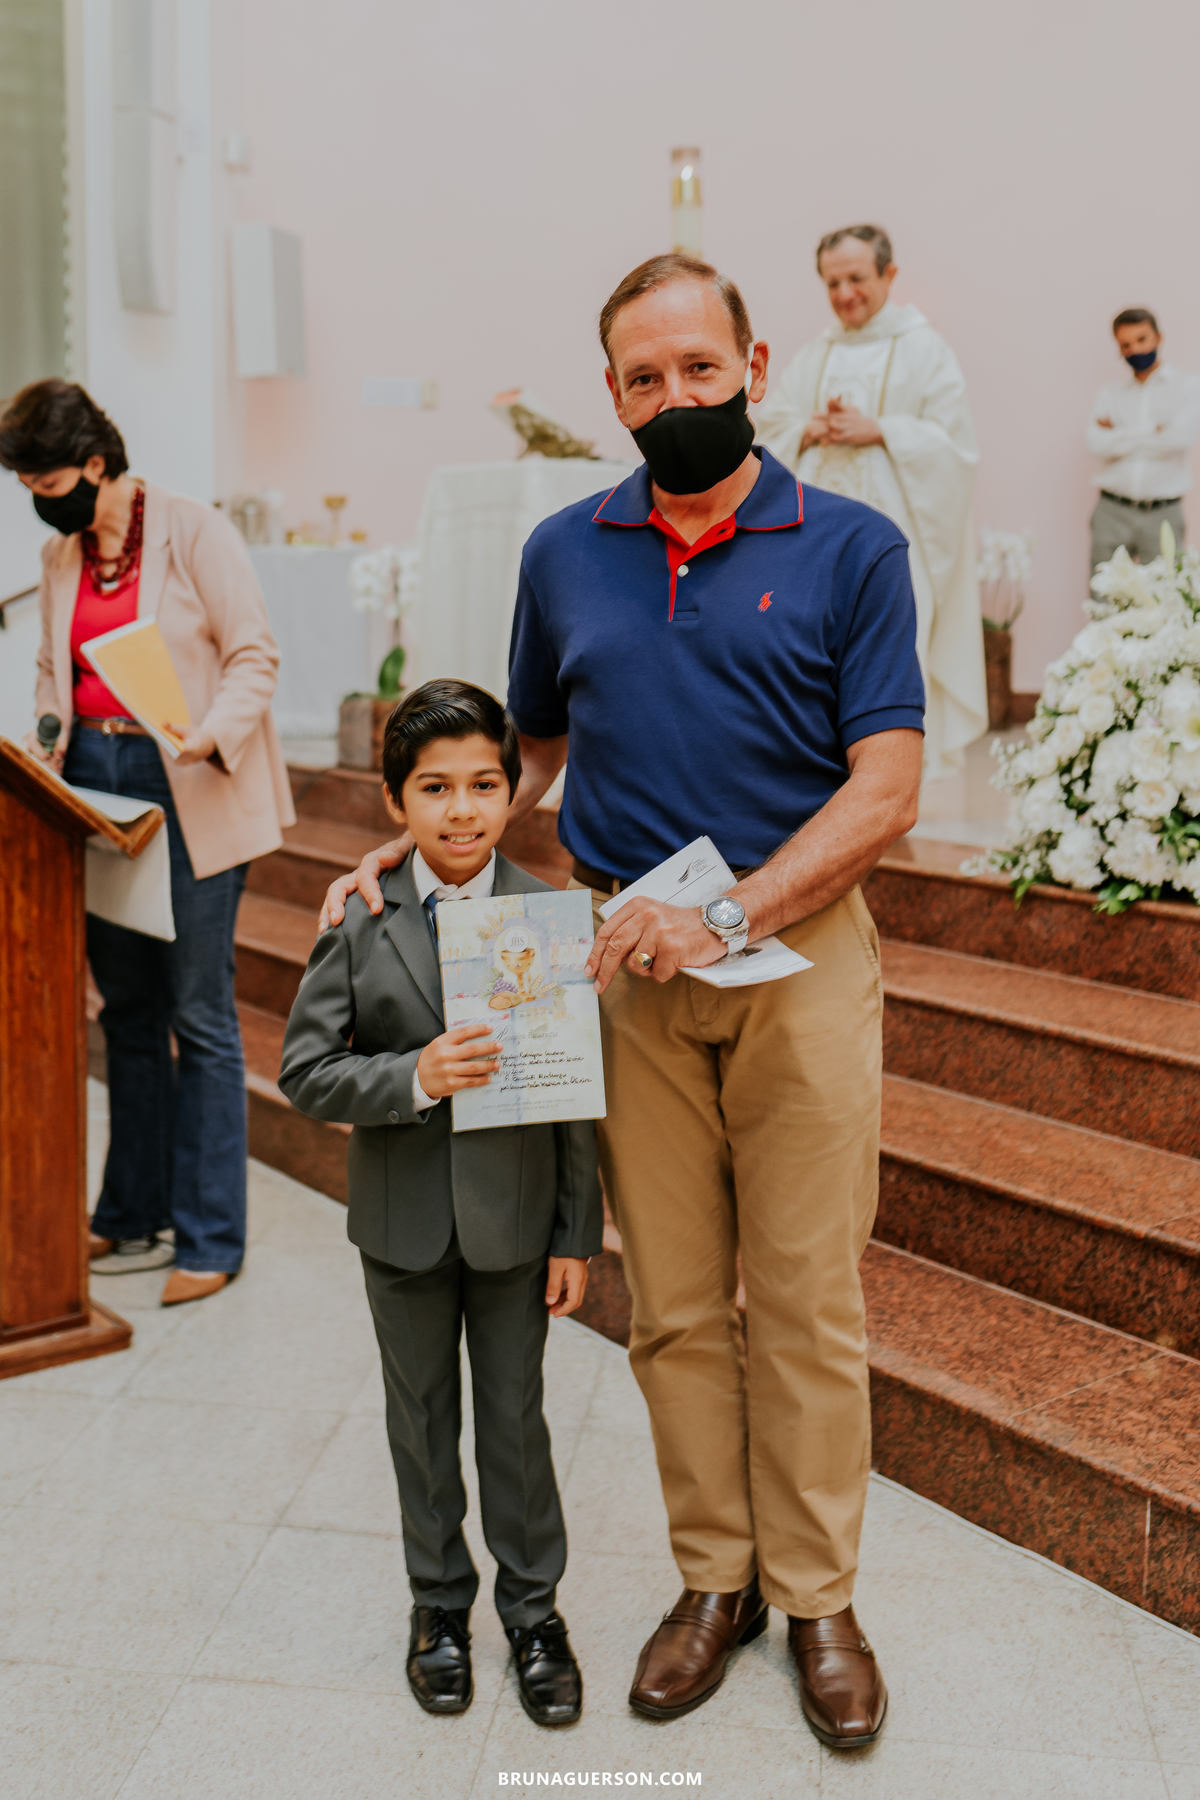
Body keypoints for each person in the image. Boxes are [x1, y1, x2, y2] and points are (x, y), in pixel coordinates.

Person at [317, 253, 925, 1752]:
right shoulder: (563, 552)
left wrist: (729, 912)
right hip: (621, 969)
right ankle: (715, 1582)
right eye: (644, 379)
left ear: (755, 367)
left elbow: (889, 786)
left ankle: (821, 1598)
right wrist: (431, 843)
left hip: (794, 962)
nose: (675, 397)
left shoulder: (850, 545)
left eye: (700, 369)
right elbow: (525, 749)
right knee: (673, 1307)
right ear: (612, 394)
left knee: (805, 1298)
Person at [279, 680, 601, 1727]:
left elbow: (571, 1098)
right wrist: (412, 1076)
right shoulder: (360, 917)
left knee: (516, 1422)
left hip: (517, 1223)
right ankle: (438, 1607)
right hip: (403, 1223)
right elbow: (305, 1071)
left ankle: (535, 1612)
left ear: (513, 792)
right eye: (434, 788)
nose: (461, 811)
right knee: (420, 1422)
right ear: (394, 801)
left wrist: (575, 1234)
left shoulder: (547, 919)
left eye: (483, 785)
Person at [0, 379, 295, 1305]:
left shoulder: (195, 530)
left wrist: (212, 731)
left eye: (49, 483)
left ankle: (209, 1235)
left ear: (95, 464)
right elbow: (52, 668)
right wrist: (47, 736)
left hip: (189, 777)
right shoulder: (60, 555)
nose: (40, 501)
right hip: (92, 780)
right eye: (28, 488)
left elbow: (254, 656)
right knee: (125, 1008)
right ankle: (132, 1210)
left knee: (198, 1013)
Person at [756, 223, 985, 780]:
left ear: (889, 274)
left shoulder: (925, 349)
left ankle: (893, 771)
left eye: (856, 279)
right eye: (832, 283)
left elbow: (955, 447)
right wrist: (808, 429)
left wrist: (881, 430)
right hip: (813, 542)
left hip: (897, 538)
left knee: (892, 640)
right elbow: (772, 425)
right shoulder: (816, 354)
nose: (844, 294)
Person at [1087, 307, 1200, 572]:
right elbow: (1097, 444)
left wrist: (1119, 433)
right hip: (1111, 512)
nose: (1135, 349)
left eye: (1141, 339)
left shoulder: (1188, 386)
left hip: (1163, 513)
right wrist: (1154, 430)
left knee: (1165, 592)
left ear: (1158, 337)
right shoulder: (1109, 394)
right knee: (1104, 592)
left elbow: (1181, 439)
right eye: (1126, 345)